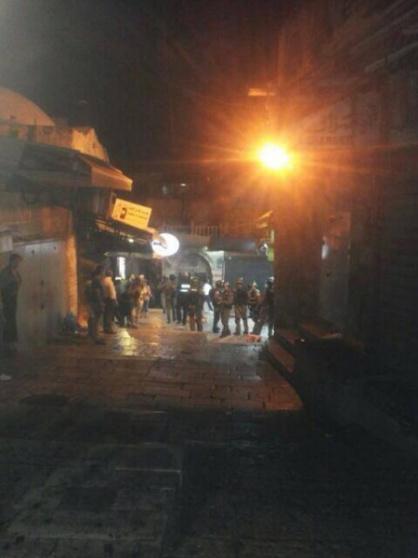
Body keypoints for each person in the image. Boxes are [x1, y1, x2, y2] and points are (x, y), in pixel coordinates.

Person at [0, 253, 23, 356]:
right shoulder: (5, 272)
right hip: (7, 300)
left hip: (13, 300)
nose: (18, 263)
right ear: (12, 261)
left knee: (12, 320)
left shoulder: (16, 272)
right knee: (8, 321)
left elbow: (19, 282)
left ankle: (11, 344)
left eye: (19, 262)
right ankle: (7, 345)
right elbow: (2, 286)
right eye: (17, 261)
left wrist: (15, 290)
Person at [85, 265, 106, 344]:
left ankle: (92, 336)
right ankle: (95, 337)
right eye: (103, 271)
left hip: (94, 302)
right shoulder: (97, 280)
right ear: (101, 271)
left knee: (93, 320)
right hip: (96, 303)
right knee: (96, 320)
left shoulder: (95, 280)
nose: (104, 273)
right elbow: (97, 292)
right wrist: (100, 302)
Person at [102, 269, 117, 333]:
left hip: (108, 299)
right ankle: (108, 328)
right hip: (110, 299)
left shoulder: (105, 280)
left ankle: (106, 327)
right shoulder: (108, 281)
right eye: (111, 273)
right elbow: (111, 292)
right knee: (109, 314)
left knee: (107, 314)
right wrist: (114, 299)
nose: (112, 274)